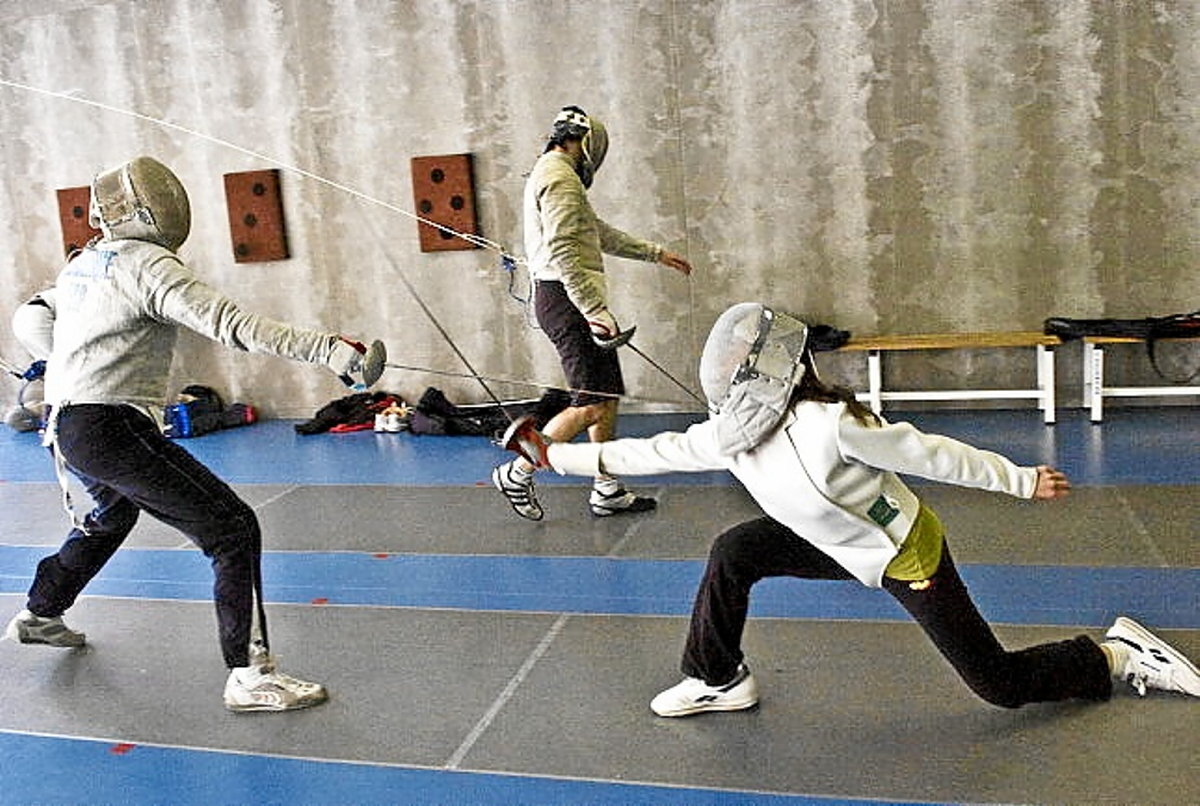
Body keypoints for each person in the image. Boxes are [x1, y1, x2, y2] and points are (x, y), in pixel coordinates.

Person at [501, 301, 1200, 716]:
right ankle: (718, 677)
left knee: (997, 685)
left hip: (901, 553)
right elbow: (646, 455)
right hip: (830, 538)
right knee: (736, 551)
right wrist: (551, 457)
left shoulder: (830, 425)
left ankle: (1113, 654)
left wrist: (1019, 480)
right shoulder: (729, 434)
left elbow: (931, 453)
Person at [2, 156, 387, 712]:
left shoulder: (84, 266)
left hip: (66, 424)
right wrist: (329, 350)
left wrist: (65, 365)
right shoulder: (147, 265)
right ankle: (250, 674)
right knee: (231, 527)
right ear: (148, 209)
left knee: (111, 516)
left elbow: (29, 317)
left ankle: (41, 611)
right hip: (108, 424)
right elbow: (232, 326)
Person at [492, 105, 693, 521]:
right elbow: (565, 251)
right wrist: (594, 309)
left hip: (566, 299)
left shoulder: (552, 174)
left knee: (605, 397)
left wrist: (654, 254)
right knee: (588, 405)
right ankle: (517, 471)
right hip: (568, 301)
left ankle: (607, 488)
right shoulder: (560, 177)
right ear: (582, 143)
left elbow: (593, 232)